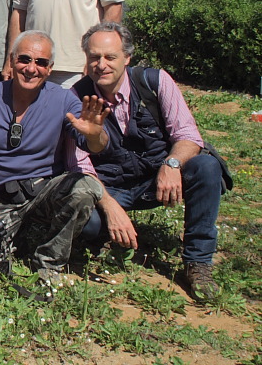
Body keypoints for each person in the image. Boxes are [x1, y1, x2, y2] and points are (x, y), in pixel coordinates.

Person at [74, 22, 230, 302]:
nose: (101, 65)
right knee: (89, 222)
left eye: (110, 57)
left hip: (156, 180)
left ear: (127, 58)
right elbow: (80, 165)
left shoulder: (154, 82)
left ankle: (198, 263)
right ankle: (105, 239)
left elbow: (188, 136)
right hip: (111, 187)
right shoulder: (77, 97)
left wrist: (171, 164)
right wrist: (109, 206)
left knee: (207, 167)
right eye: (94, 57)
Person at [0, 30, 108, 287]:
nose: (32, 69)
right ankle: (16, 239)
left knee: (86, 187)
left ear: (50, 68)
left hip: (42, 195)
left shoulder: (64, 100)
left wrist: (95, 134)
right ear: (11, 61)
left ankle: (50, 263)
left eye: (41, 62)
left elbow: (95, 144)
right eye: (24, 60)